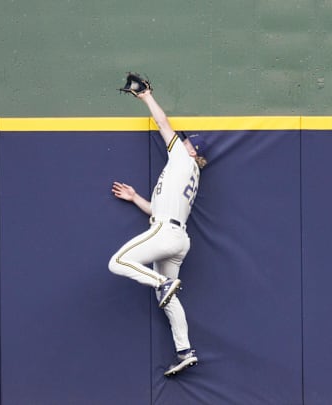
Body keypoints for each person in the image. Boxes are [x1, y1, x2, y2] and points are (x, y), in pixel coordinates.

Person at [109, 83, 208, 377]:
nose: (183, 140)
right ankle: (185, 350)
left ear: (193, 150)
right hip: (178, 237)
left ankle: (161, 282)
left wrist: (146, 96)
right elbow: (159, 209)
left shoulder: (182, 157)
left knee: (118, 263)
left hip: (166, 233)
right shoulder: (190, 174)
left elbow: (163, 122)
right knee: (168, 300)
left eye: (187, 141)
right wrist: (136, 198)